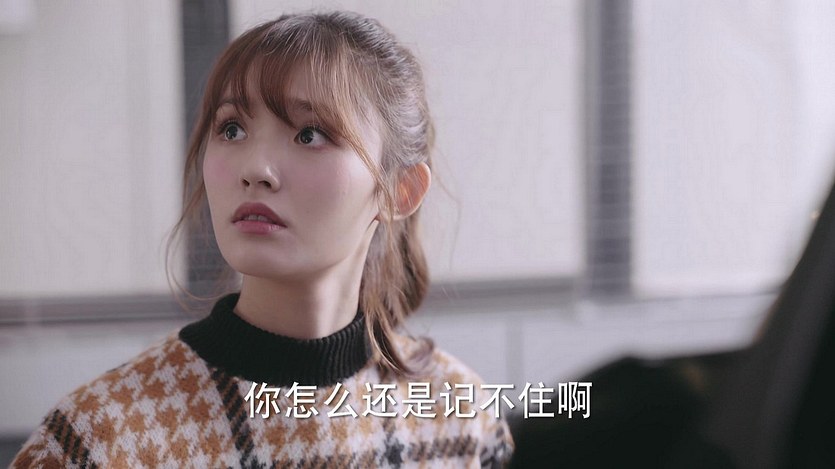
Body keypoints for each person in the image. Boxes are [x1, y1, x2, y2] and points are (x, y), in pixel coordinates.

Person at [11, 10, 513, 468]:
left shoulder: (460, 416)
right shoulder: (100, 440)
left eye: (310, 134)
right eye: (231, 129)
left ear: (399, 191)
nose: (255, 169)